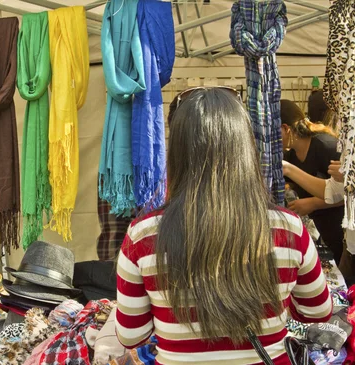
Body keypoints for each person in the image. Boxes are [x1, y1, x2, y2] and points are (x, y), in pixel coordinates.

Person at [116, 88, 332, 364]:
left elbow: (131, 335)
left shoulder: (143, 236)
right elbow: (318, 311)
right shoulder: (289, 228)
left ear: (177, 153)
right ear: (245, 149)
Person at [281, 99, 344, 263]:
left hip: (343, 235)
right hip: (327, 235)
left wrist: (313, 203)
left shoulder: (326, 147)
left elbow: (347, 194)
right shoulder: (292, 155)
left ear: (285, 128)